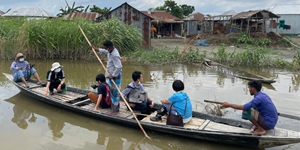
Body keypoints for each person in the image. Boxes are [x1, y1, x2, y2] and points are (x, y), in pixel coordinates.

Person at [91, 40, 122, 115]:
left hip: (115, 76)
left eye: (106, 48)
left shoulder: (115, 55)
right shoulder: (109, 51)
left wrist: (113, 75)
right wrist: (96, 49)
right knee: (110, 90)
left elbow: (119, 67)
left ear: (110, 47)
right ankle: (112, 106)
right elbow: (104, 51)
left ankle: (115, 110)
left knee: (115, 93)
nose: (106, 49)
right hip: (110, 74)